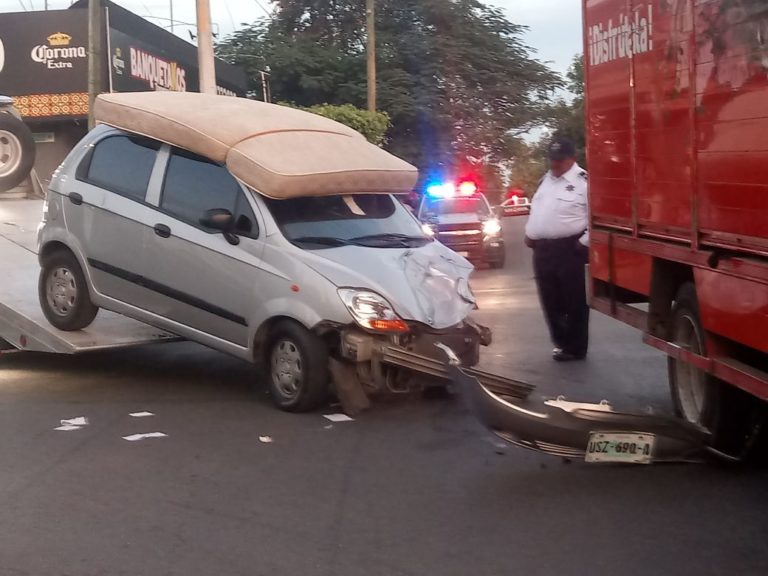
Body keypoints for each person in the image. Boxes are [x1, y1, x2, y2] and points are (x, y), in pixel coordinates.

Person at [524, 138, 589, 362]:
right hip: (542, 249)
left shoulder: (584, 183)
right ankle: (561, 343)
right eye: (552, 160)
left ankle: (576, 346)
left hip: (570, 248)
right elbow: (539, 211)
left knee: (574, 300)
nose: (555, 164)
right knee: (550, 299)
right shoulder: (546, 181)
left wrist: (584, 243)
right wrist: (531, 233)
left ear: (573, 158)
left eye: (560, 160)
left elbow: (596, 218)